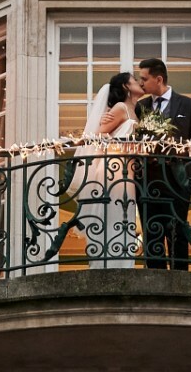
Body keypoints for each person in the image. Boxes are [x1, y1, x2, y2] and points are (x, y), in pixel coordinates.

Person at [136, 57, 191, 270]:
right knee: (151, 232)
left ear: (159, 78)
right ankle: (154, 281)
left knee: (178, 231)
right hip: (148, 181)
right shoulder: (140, 107)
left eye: (144, 79)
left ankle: (180, 279)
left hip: (179, 180)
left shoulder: (187, 104)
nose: (141, 84)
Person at [71, 72, 144, 269]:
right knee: (113, 213)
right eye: (135, 80)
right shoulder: (120, 108)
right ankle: (107, 265)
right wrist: (121, 146)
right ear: (126, 87)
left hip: (128, 171)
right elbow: (98, 136)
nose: (139, 82)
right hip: (113, 169)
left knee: (125, 215)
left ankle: (123, 263)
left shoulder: (136, 109)